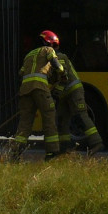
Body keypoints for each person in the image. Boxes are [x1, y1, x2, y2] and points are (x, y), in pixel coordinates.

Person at [11, 30, 64, 160]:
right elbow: (57, 65)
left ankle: (15, 153)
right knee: (49, 116)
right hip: (40, 88)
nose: (54, 49)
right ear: (49, 42)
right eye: (54, 45)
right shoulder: (48, 50)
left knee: (25, 122)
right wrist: (61, 72)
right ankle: (52, 152)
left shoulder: (29, 54)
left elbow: (21, 73)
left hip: (25, 90)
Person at [53, 41, 104, 155]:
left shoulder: (59, 57)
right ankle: (64, 148)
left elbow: (63, 78)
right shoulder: (50, 59)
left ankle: (97, 143)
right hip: (63, 94)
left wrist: (56, 93)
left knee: (81, 115)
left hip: (73, 90)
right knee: (62, 119)